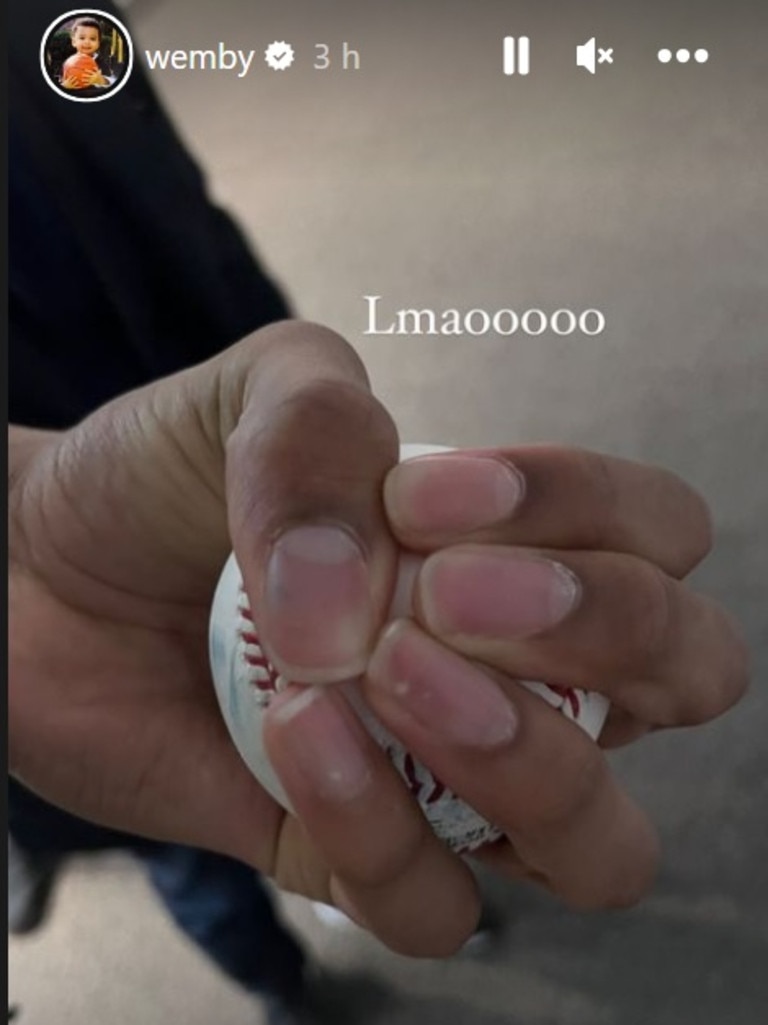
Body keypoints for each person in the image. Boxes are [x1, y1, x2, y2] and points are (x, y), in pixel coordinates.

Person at [9, 0, 749, 1018]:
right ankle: (282, 985)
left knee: (365, 812)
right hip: (72, 685)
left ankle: (368, 869)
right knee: (184, 860)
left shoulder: (58, 26)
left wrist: (279, 374)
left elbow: (171, 196)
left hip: (200, 433)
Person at [60, 18, 110, 90]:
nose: (87, 42)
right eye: (82, 38)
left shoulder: (101, 63)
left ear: (98, 43)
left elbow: (111, 82)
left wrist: (102, 80)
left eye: (92, 39)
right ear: (74, 42)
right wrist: (64, 86)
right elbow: (61, 82)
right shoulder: (68, 63)